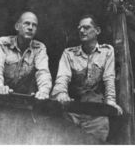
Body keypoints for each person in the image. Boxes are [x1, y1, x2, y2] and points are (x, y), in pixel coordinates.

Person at [51, 14, 123, 142]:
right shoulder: (69, 53)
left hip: (96, 113)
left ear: (97, 31)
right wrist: (61, 94)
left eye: (86, 27)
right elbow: (62, 78)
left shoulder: (107, 51)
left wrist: (110, 101)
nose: (82, 31)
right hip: (72, 110)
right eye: (80, 28)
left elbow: (109, 78)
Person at [0, 12, 52, 99]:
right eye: (26, 23)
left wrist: (44, 91)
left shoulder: (39, 48)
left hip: (24, 98)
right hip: (1, 95)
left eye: (34, 25)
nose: (30, 28)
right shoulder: (2, 43)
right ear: (17, 27)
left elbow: (43, 72)